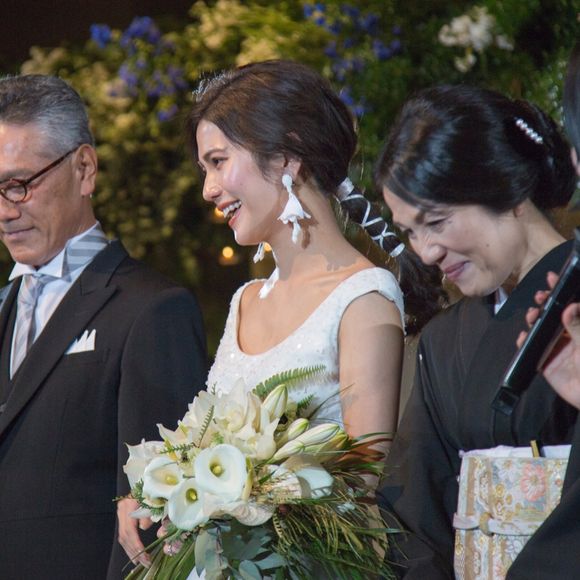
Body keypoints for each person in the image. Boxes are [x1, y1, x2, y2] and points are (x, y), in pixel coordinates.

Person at [118, 59, 444, 571]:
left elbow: (361, 483)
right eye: (205, 169)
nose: (208, 189)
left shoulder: (364, 296)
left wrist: (246, 494)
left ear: (287, 156)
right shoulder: (245, 299)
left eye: (219, 162)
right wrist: (163, 492)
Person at [0, 74, 208, 580]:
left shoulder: (152, 310)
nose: (4, 212)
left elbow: (155, 527)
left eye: (19, 185)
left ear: (85, 169)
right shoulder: (5, 305)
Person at [375, 84, 579, 579]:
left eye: (436, 221)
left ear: (506, 189)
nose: (426, 251)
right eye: (410, 231)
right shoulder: (443, 340)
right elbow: (413, 509)